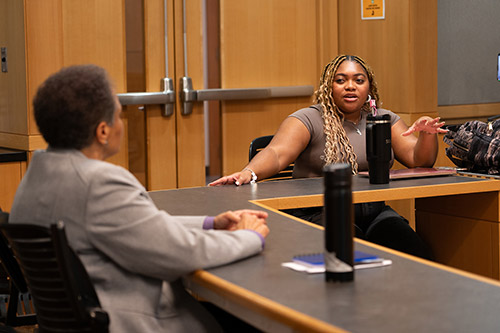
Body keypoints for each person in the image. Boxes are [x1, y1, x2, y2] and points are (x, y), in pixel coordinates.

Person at [9, 64, 269, 333]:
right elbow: (179, 253)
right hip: (138, 323)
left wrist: (209, 224)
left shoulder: (36, 176)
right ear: (103, 131)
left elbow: (135, 228)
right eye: (120, 116)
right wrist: (249, 237)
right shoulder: (99, 183)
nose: (122, 123)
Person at [210, 54, 448, 259]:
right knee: (352, 255)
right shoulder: (309, 119)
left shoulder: (383, 119)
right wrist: (249, 172)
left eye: (359, 80)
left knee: (416, 254)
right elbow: (276, 153)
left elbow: (419, 161)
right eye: (341, 80)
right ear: (328, 86)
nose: (350, 86)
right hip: (320, 213)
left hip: (373, 212)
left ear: (369, 87)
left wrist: (427, 135)